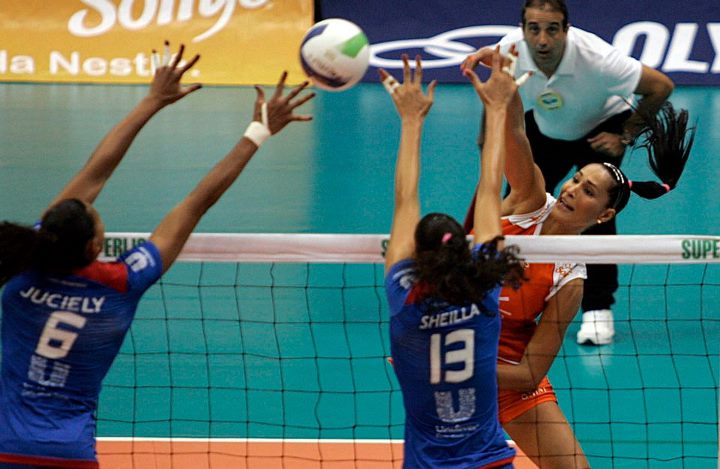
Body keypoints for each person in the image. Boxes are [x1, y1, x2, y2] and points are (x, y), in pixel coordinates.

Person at [0, 43, 314, 469]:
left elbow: (95, 172)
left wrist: (151, 101)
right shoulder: (122, 282)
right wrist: (256, 132)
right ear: (94, 247)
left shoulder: (24, 267)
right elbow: (195, 204)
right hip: (70, 454)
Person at [463, 51, 694, 467]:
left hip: (501, 372)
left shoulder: (570, 277)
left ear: (604, 215)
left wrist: (460, 368)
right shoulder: (528, 200)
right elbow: (515, 133)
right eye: (576, 179)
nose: (571, 191)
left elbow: (529, 374)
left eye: (588, 192)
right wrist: (507, 84)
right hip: (453, 348)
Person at [461, 0, 675, 345]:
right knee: (514, 208)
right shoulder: (509, 49)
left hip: (599, 131)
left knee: (595, 216)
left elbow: (661, 86)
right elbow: (500, 91)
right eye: (534, 29)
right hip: (547, 130)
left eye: (552, 29)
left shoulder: (598, 58)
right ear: (522, 30)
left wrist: (624, 135)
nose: (543, 39)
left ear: (566, 30)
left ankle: (598, 308)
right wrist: (488, 133)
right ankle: (492, 289)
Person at [382, 51, 526, 468]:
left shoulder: (405, 296)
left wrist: (411, 121)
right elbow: (490, 190)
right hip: (489, 461)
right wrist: (496, 108)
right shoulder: (484, 288)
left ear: (417, 256)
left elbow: (405, 198)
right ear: (466, 248)